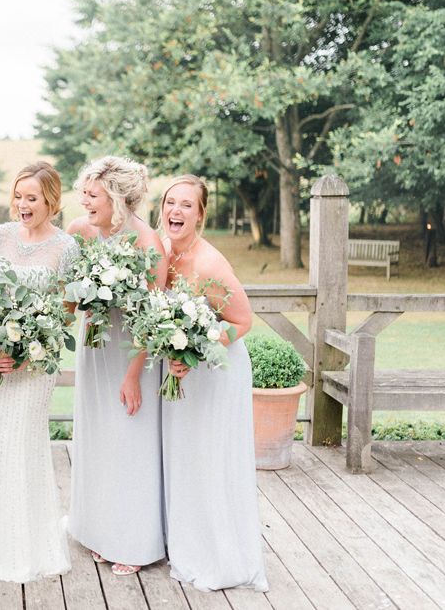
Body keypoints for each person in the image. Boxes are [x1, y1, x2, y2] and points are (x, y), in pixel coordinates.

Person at [160, 174, 268, 592]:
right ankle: (186, 539)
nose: (176, 211)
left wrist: (192, 351)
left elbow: (242, 321)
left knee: (210, 457)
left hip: (216, 371)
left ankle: (220, 553)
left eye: (187, 205)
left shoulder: (209, 263)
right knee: (185, 455)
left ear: (201, 214)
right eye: (171, 202)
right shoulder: (165, 253)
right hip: (182, 372)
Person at [66, 156, 168, 576]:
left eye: (93, 195)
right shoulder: (80, 232)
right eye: (84, 193)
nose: (85, 201)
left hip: (130, 354)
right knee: (99, 438)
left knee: (129, 442)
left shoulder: (147, 244)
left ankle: (134, 541)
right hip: (94, 349)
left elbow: (153, 317)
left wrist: (133, 375)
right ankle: (100, 530)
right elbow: (68, 297)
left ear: (117, 198)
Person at [0, 162, 76, 582]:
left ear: (50, 201)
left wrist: (28, 353)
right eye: (18, 196)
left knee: (20, 445)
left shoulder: (66, 247)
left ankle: (23, 548)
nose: (22, 204)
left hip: (34, 364)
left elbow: (67, 313)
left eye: (31, 198)